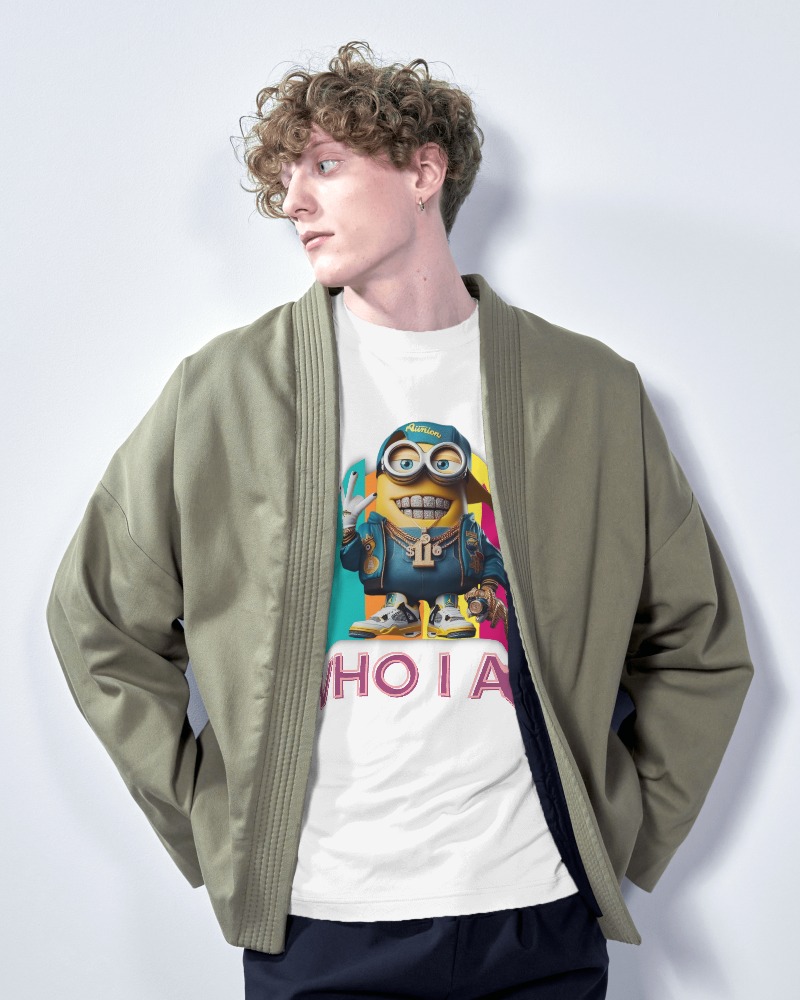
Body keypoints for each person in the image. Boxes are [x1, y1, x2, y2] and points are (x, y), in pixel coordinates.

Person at [45, 40, 754, 1000]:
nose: (294, 201)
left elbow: (698, 643)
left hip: (537, 909)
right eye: (287, 177)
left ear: (425, 172)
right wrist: (213, 821)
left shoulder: (589, 391)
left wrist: (622, 830)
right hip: (321, 919)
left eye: (326, 164)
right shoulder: (222, 392)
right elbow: (97, 620)